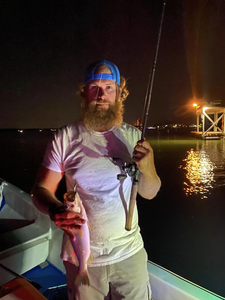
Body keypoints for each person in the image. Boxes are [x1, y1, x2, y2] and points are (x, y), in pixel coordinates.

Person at [32, 59, 161, 300]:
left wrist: (149, 167)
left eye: (109, 88)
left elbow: (150, 192)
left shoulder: (134, 137)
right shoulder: (64, 138)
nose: (101, 95)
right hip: (82, 256)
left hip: (129, 253)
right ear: (85, 93)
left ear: (119, 94)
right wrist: (54, 209)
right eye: (95, 88)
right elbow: (40, 190)